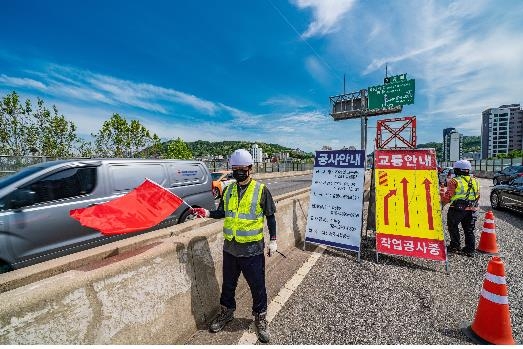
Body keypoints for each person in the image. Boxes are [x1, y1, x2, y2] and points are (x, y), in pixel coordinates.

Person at [189, 149, 277, 343]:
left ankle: (260, 318)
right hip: (230, 249)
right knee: (228, 285)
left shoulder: (261, 190)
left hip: (252, 250)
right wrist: (207, 213)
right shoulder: (228, 190)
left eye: (241, 169)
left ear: (250, 169)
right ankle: (227, 312)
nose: (238, 172)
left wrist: (273, 240)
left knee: (257, 286)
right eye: (235, 169)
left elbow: (270, 216)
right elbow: (223, 213)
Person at [439, 159, 480, 257]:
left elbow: (448, 196)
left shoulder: (454, 181)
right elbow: (478, 195)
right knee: (469, 229)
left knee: (453, 226)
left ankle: (455, 246)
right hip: (472, 209)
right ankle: (470, 250)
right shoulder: (475, 180)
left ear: (457, 170)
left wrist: (442, 206)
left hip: (457, 209)